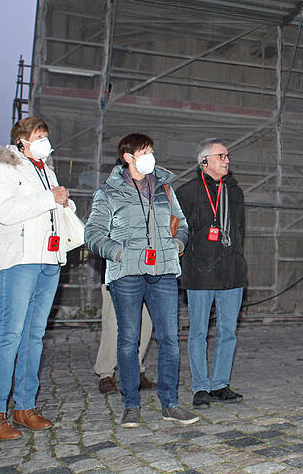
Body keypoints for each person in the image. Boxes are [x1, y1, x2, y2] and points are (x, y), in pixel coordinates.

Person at [84, 133, 197, 427]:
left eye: (152, 151)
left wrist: (178, 245)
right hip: (127, 274)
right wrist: (119, 253)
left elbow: (182, 224)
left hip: (164, 272)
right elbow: (93, 234)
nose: (150, 156)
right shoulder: (108, 193)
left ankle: (170, 403)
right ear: (128, 157)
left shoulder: (165, 190)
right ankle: (131, 404)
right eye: (144, 151)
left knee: (170, 338)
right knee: (128, 339)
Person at [0, 117, 76, 441]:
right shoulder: (3, 168)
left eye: (46, 135)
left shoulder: (45, 169)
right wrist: (51, 198)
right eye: (38, 135)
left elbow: (50, 209)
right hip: (19, 260)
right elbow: (3, 211)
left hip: (48, 259)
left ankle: (24, 406)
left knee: (34, 336)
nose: (44, 140)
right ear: (21, 140)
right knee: (10, 336)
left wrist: (63, 203)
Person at [176, 138, 248, 409]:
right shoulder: (187, 192)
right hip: (200, 272)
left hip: (231, 272)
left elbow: (239, 231)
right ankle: (200, 387)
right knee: (199, 332)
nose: (227, 160)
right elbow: (180, 231)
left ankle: (220, 384)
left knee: (228, 331)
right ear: (204, 162)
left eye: (227, 156)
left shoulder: (235, 192)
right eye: (221, 156)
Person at [94, 286, 156, 394]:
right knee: (113, 323)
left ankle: (136, 370)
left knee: (145, 321)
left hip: (146, 273)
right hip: (116, 274)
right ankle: (105, 374)